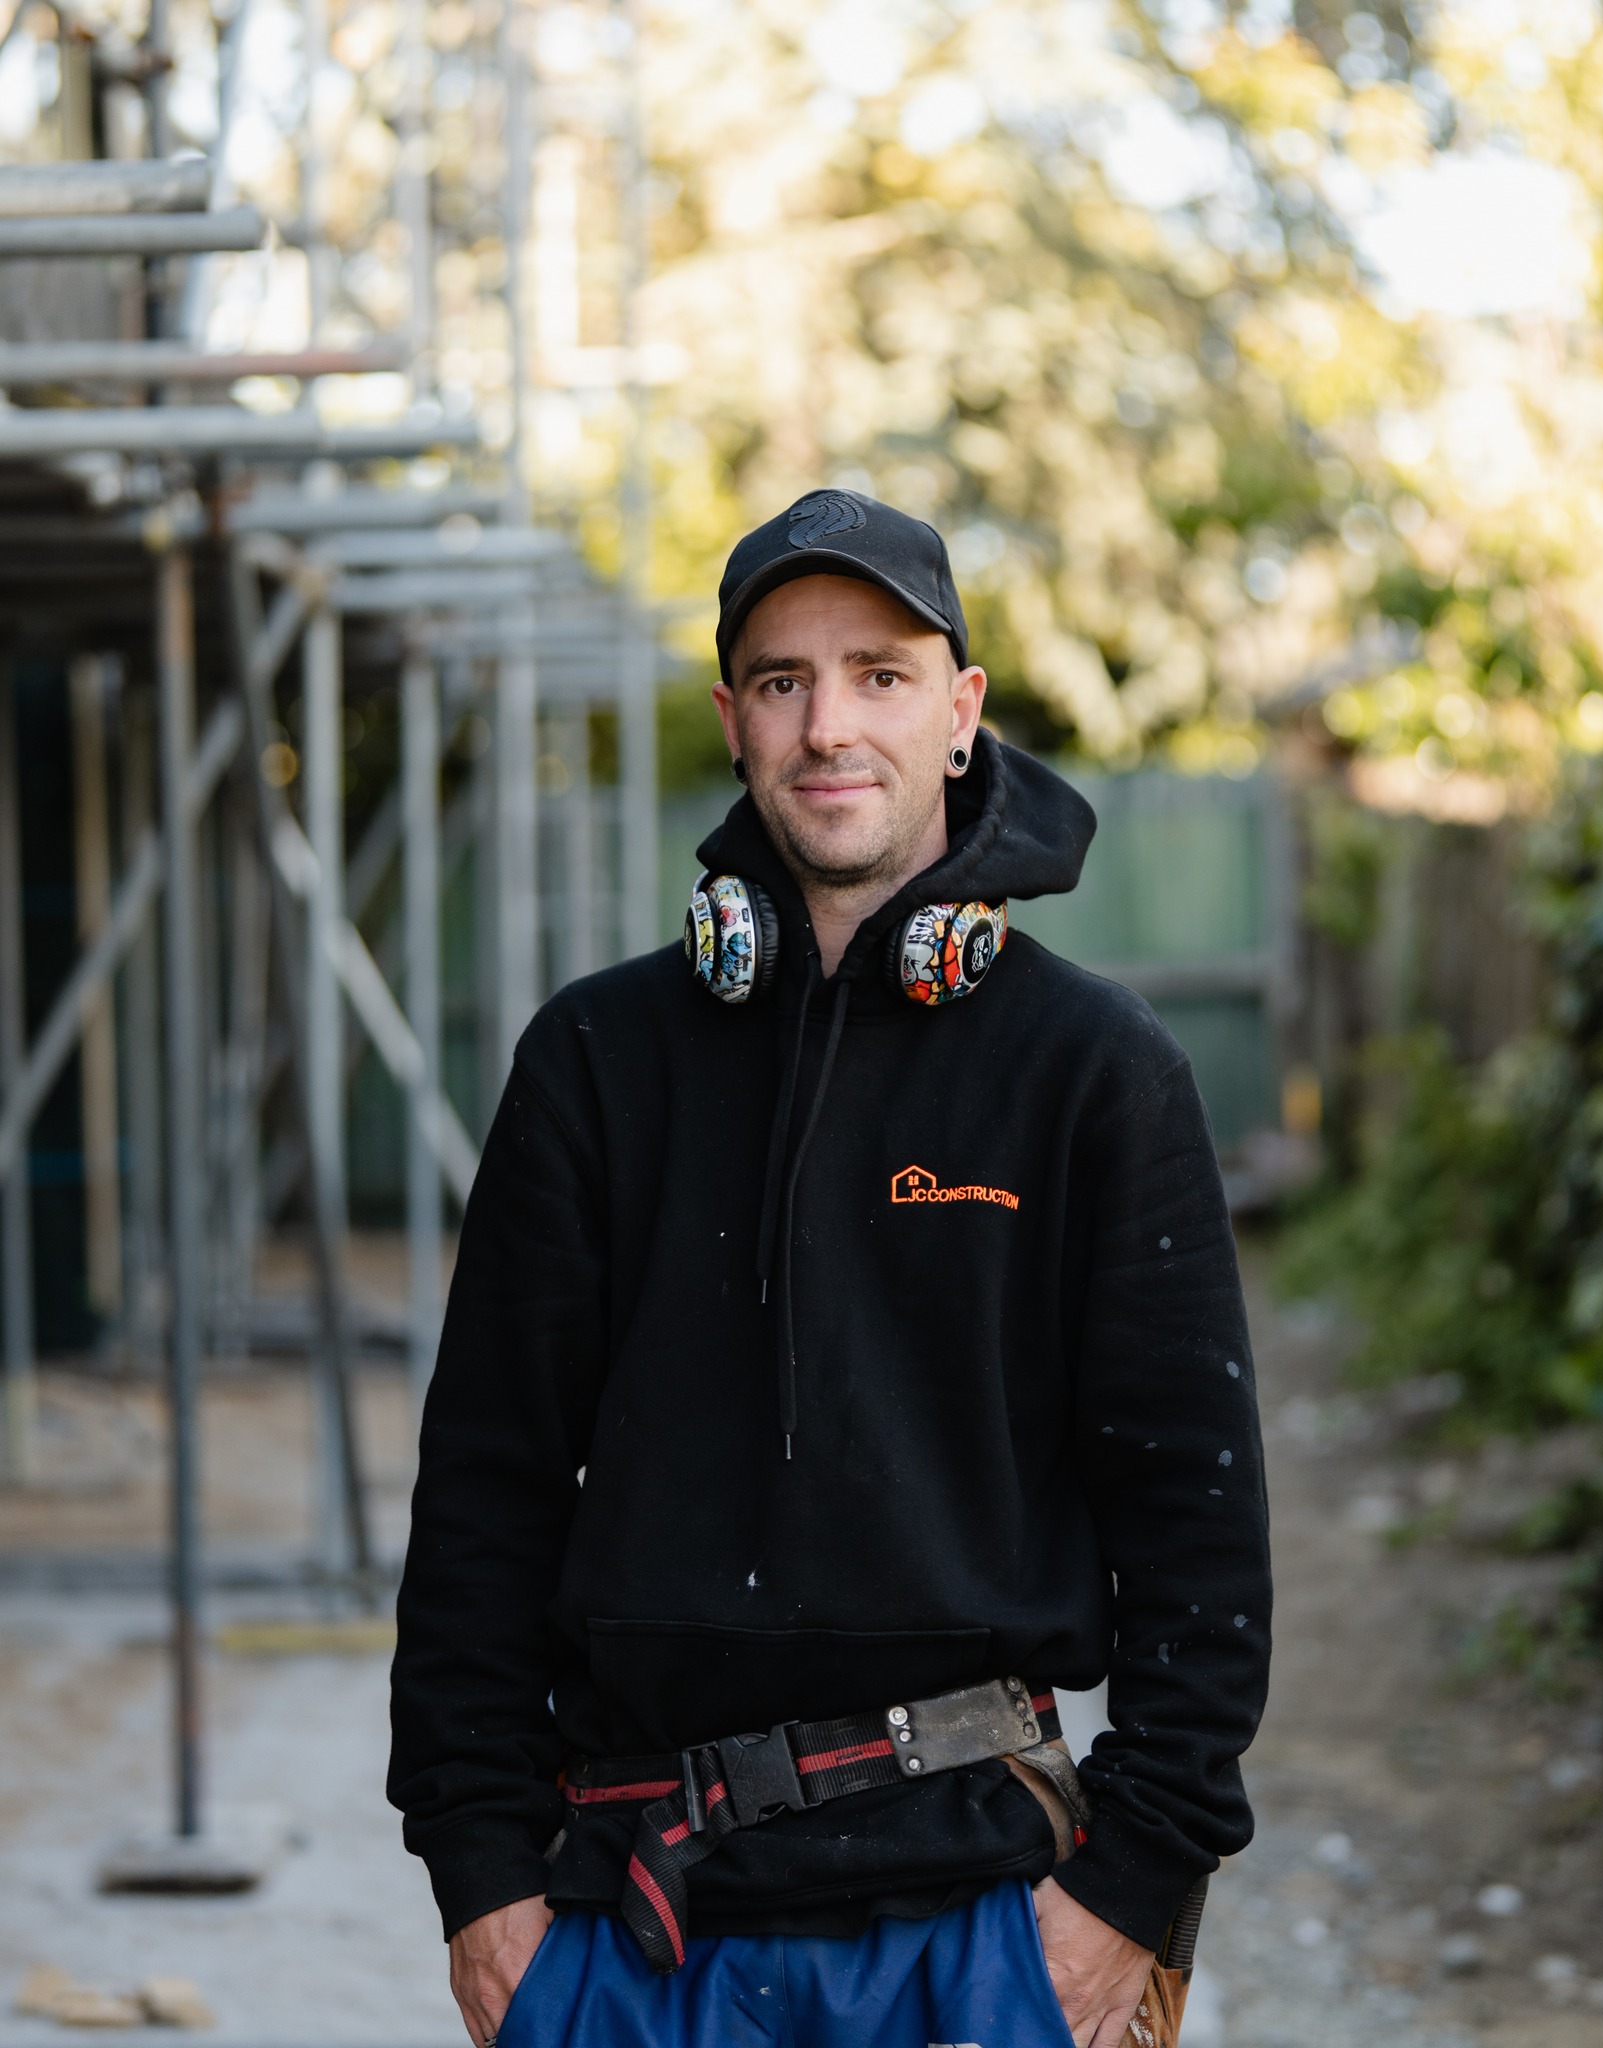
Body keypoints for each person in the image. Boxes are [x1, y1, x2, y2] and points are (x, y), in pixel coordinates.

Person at [388, 489, 1272, 2048]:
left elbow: (1198, 1535)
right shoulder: (597, 1061)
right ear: (733, 722)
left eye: (878, 673)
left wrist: (1127, 1893)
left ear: (960, 713)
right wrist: (479, 1883)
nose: (828, 726)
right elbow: (485, 1492)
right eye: (785, 681)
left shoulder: (1095, 1072)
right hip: (630, 1933)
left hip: (988, 1935)